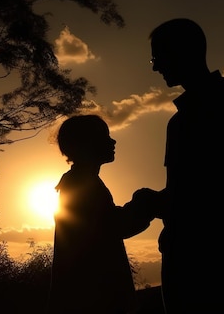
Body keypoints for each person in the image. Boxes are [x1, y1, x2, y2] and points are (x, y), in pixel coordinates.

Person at [142, 18, 224, 313]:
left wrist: (158, 202)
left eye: (158, 57)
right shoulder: (178, 122)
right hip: (186, 245)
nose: (155, 67)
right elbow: (184, 188)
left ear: (182, 52)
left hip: (220, 245)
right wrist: (159, 202)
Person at [47, 114, 158, 314]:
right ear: (87, 144)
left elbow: (104, 222)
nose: (112, 141)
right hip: (95, 301)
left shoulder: (79, 182)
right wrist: (144, 203)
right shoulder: (82, 184)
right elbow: (113, 227)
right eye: (104, 136)